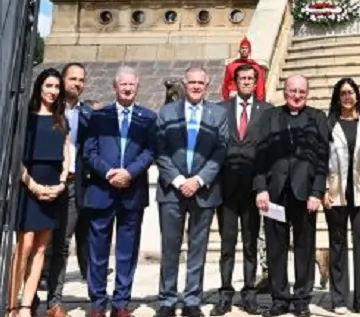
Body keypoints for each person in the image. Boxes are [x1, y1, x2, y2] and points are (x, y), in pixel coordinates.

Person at [253, 74, 330, 317]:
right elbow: (259, 156)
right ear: (285, 92)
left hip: (305, 194)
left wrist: (317, 191)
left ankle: (302, 299)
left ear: (307, 94)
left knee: (305, 248)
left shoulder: (317, 118)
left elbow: (322, 158)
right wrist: (261, 187)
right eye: (292, 91)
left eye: (301, 92)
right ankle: (280, 298)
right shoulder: (269, 117)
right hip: (275, 193)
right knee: (275, 247)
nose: (296, 96)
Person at [155, 65, 229, 317]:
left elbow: (221, 150)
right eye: (192, 82)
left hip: (203, 191)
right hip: (171, 191)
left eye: (201, 83)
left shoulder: (218, 114)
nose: (196, 86)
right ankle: (166, 299)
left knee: (198, 247)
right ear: (184, 85)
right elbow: (160, 150)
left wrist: (198, 180)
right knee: (170, 246)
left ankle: (192, 299)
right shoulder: (166, 112)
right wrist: (177, 180)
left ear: (207, 86)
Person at [83, 66, 157, 317]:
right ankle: (97, 302)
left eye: (132, 85)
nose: (127, 88)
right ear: (115, 87)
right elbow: (89, 151)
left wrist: (130, 173)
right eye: (123, 84)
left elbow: (150, 151)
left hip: (132, 192)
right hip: (102, 191)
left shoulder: (148, 118)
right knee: (98, 251)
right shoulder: (99, 116)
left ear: (138, 87)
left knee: (127, 251)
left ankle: (121, 303)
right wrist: (110, 173)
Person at [8, 69, 71, 317]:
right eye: (49, 86)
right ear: (39, 87)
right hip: (28, 185)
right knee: (24, 246)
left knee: (41, 250)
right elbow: (15, 158)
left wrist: (62, 183)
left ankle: (26, 306)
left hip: (53, 187)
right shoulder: (25, 118)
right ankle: (12, 303)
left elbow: (66, 155)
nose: (53, 91)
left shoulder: (60, 119)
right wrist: (32, 185)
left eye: (57, 87)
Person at [217, 63, 273, 314]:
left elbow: (270, 148)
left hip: (253, 188)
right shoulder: (220, 109)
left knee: (250, 243)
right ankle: (225, 292)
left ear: (256, 82)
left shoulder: (267, 111)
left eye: (251, 78)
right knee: (227, 244)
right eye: (242, 78)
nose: (247, 82)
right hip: (226, 189)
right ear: (235, 82)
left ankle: (249, 293)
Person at [44, 62, 96, 317]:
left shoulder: (87, 115)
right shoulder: (48, 111)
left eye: (82, 80)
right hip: (47, 182)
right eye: (73, 78)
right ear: (62, 81)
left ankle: (54, 301)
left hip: (75, 184)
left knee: (63, 244)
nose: (78, 83)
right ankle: (25, 300)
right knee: (40, 243)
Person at [324, 77, 360, 314]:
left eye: (351, 92)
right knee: (337, 244)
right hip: (335, 194)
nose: (347, 97)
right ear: (337, 97)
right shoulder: (328, 125)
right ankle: (340, 299)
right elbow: (321, 160)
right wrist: (323, 189)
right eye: (343, 93)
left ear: (357, 96)